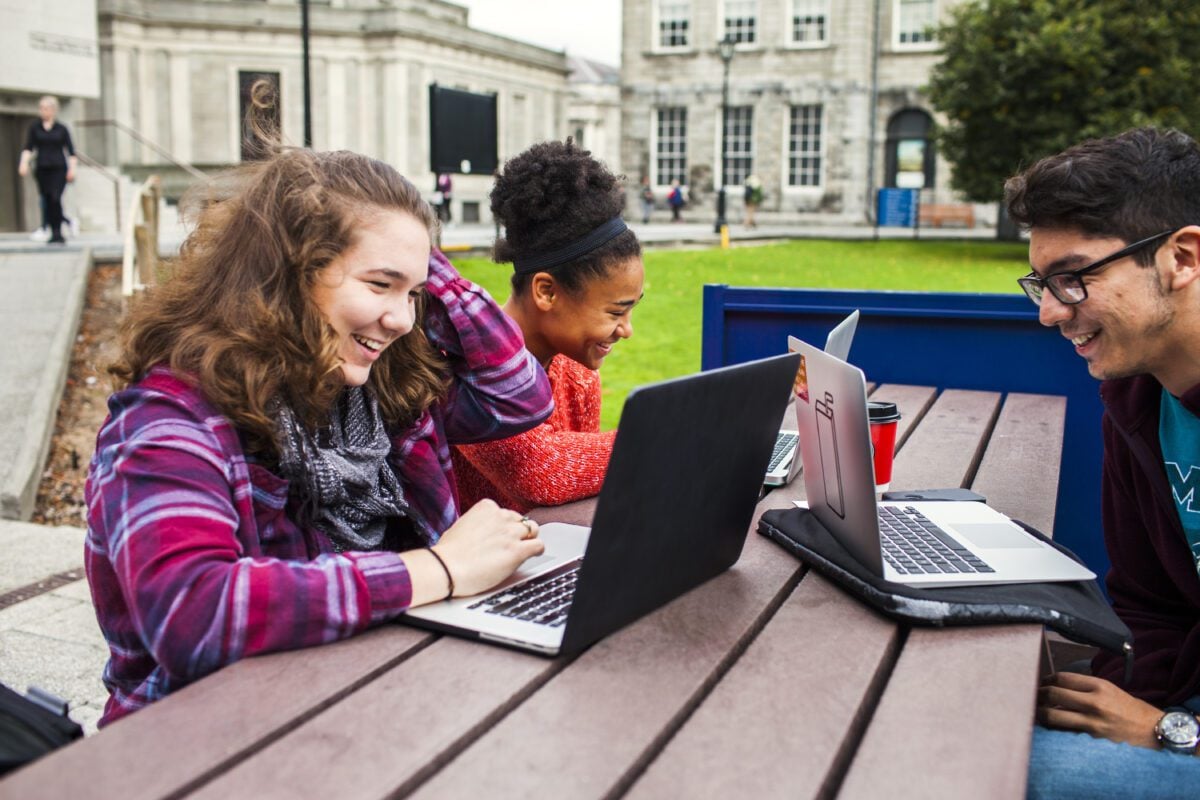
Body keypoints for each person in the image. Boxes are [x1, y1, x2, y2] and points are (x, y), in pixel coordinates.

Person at [84, 87, 554, 728]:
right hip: (208, 739)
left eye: (413, 293)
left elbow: (519, 395)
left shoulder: (379, 394)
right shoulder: (169, 419)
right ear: (288, 272)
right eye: (378, 284)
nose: (399, 319)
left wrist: (414, 255)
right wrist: (438, 568)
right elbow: (195, 614)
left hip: (372, 700)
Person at [1004, 126, 1200, 796]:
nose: (1050, 313)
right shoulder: (1139, 402)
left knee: (985, 769)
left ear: (1182, 257)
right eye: (1042, 283)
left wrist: (1171, 734)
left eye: (1074, 278)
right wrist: (1105, 704)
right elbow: (1149, 608)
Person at [452, 139, 644, 514]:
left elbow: (579, 497)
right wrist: (671, 440)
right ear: (546, 292)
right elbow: (541, 472)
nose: (626, 330)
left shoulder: (578, 372)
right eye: (615, 312)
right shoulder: (469, 363)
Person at [17, 95, 77, 245]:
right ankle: (56, 230)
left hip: (59, 169)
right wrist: (23, 163)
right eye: (42, 108)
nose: (44, 111)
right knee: (47, 200)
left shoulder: (62, 129)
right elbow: (28, 147)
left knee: (55, 198)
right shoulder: (35, 127)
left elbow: (71, 151)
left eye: (47, 108)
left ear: (54, 110)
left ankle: (58, 231)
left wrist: (72, 170)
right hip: (42, 168)